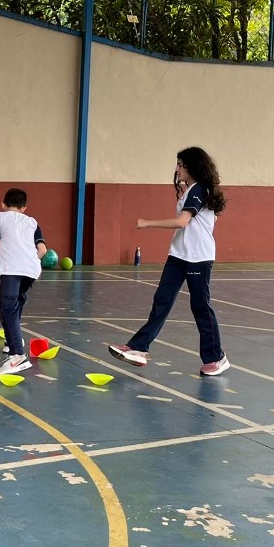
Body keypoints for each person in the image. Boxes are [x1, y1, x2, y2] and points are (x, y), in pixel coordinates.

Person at [109, 147, 231, 377]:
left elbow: (182, 222)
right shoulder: (191, 191)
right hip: (178, 255)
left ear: (192, 167)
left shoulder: (199, 189)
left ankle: (216, 357)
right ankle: (138, 348)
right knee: (162, 301)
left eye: (181, 165)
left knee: (200, 306)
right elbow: (210, 218)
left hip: (198, 258)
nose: (177, 169)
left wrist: (147, 223)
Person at [0, 187, 47, 377]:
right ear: (24, 208)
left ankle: (17, 354)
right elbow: (42, 250)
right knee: (14, 303)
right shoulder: (32, 221)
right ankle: (10, 343)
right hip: (32, 269)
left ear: (3, 204)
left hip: (11, 268)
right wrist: (28, 260)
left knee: (7, 307)